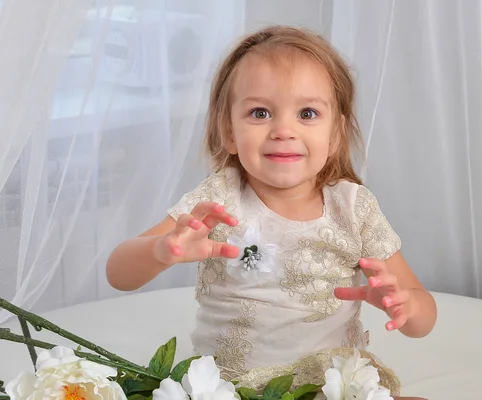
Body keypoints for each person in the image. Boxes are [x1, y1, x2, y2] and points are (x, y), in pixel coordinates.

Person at [106, 25, 436, 400]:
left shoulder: (354, 208)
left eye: (307, 113)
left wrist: (405, 305)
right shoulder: (220, 199)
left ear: (335, 135)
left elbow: (423, 317)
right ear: (228, 131)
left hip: (327, 385)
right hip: (231, 388)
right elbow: (118, 274)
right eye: (260, 112)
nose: (283, 129)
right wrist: (160, 250)